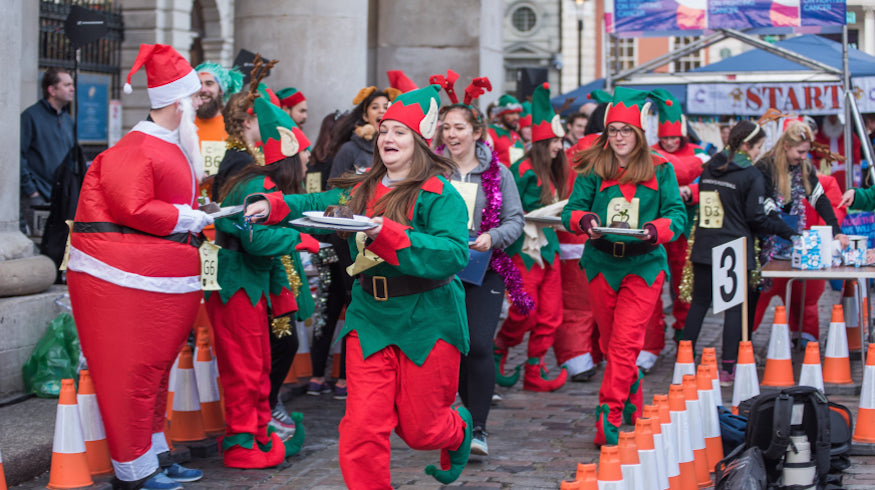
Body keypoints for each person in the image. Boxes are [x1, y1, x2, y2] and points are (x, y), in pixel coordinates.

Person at [243, 84, 474, 488]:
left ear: (420, 141)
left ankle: (456, 430)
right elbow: (317, 203)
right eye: (384, 130)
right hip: (370, 317)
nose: (388, 138)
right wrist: (272, 205)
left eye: (399, 132)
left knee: (422, 431)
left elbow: (453, 254)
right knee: (363, 425)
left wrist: (388, 233)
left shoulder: (442, 194)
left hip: (428, 319)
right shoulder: (362, 188)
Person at [66, 43, 210, 490]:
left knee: (153, 374)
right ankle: (135, 471)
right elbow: (133, 207)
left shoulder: (165, 145)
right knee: (134, 375)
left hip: (156, 279)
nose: (198, 105)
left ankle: (155, 457)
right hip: (128, 283)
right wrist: (186, 217)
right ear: (178, 102)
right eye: (194, 97)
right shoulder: (138, 148)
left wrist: (193, 215)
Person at [561, 87, 687, 446]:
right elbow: (571, 211)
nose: (619, 137)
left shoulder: (661, 168)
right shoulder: (593, 167)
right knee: (609, 341)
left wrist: (656, 229)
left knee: (625, 342)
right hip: (601, 263)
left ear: (639, 133)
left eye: (626, 130)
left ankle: (609, 413)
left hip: (643, 266)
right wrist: (584, 221)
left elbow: (676, 214)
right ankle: (632, 388)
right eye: (613, 130)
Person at [208, 94, 314, 468]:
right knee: (245, 366)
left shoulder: (259, 180)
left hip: (247, 280)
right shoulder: (258, 184)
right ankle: (241, 443)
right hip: (236, 281)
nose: (307, 160)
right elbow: (255, 238)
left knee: (258, 362)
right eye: (303, 154)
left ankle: (257, 434)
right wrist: (301, 238)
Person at [431, 73, 525, 456]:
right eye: (446, 127)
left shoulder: (499, 173)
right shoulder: (430, 171)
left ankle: (479, 429)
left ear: (476, 132)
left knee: (480, 345)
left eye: (459, 127)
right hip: (441, 271)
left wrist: (492, 237)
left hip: (484, 268)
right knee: (453, 347)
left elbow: (516, 221)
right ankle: (461, 421)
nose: (452, 134)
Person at [682, 120, 797, 382]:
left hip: (705, 242)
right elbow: (756, 218)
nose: (758, 153)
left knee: (699, 304)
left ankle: (683, 361)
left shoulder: (712, 165)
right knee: (734, 308)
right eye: (758, 147)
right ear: (746, 145)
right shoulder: (751, 174)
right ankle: (728, 367)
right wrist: (788, 232)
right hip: (733, 247)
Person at [494, 83, 569, 392]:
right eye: (555, 141)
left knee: (551, 314)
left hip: (549, 248)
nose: (560, 146)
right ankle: (500, 348)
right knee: (525, 311)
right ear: (542, 141)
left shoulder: (553, 169)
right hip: (523, 250)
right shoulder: (522, 169)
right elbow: (504, 208)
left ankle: (534, 370)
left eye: (561, 140)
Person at [755, 121, 848, 345]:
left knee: (801, 295)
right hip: (766, 239)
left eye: (807, 152)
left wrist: (835, 231)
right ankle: (742, 342)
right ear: (786, 146)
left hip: (791, 238)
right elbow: (767, 211)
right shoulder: (765, 167)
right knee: (758, 297)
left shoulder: (804, 167)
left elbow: (820, 199)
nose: (804, 157)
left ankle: (803, 337)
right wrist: (794, 236)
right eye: (800, 152)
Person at [638, 91, 708, 373]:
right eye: (665, 138)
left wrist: (691, 191)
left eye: (674, 138)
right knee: (652, 282)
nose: (669, 142)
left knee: (684, 284)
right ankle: (650, 338)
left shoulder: (698, 153)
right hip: (657, 227)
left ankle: (684, 333)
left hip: (686, 230)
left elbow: (711, 183)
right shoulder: (648, 153)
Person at [554, 102, 609, 383]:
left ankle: (576, 357)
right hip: (605, 234)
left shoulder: (569, 154)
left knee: (575, 304)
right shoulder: (613, 153)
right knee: (603, 300)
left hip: (569, 234)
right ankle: (597, 353)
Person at [20, 67, 75, 235]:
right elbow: (18, 157)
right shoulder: (30, 117)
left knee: (62, 245)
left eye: (72, 84)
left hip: (62, 198)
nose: (72, 89)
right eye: (66, 85)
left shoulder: (68, 121)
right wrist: (32, 192)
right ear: (52, 90)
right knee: (41, 244)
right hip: (39, 197)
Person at [194, 62, 244, 184]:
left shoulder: (234, 125)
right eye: (198, 84)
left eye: (209, 84)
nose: (203, 89)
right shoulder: (183, 123)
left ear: (221, 90)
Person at [329, 86, 394, 178]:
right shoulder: (349, 149)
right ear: (365, 116)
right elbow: (334, 184)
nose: (381, 111)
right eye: (375, 107)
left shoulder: (396, 147)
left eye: (386, 107)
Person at [813, 114, 862, 192]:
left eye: (835, 117)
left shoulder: (850, 136)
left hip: (845, 178)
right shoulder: (817, 137)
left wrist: (856, 180)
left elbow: (856, 161)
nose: (833, 119)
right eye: (831, 116)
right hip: (824, 177)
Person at [487, 94, 525, 167]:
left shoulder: (517, 136)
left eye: (517, 113)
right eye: (511, 113)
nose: (516, 117)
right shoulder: (490, 133)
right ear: (500, 115)